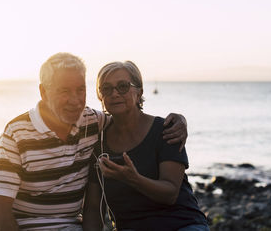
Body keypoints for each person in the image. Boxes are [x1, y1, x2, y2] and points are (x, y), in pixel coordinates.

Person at [0, 53, 188, 231]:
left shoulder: (92, 122)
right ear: (44, 92)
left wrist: (179, 120)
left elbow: (128, 120)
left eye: (80, 90)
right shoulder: (15, 136)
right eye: (64, 91)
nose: (75, 100)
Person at [83, 61, 209, 231]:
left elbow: (170, 194)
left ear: (139, 92)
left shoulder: (166, 130)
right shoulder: (98, 144)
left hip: (182, 224)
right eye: (106, 89)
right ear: (101, 96)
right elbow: (92, 208)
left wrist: (133, 179)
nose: (114, 93)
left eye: (122, 86)